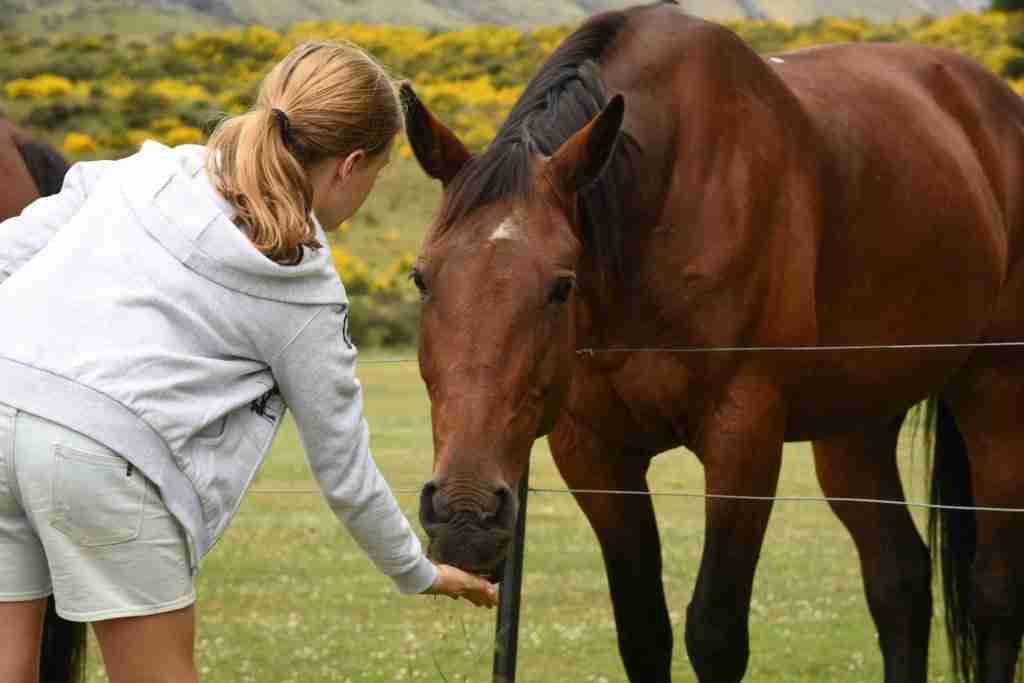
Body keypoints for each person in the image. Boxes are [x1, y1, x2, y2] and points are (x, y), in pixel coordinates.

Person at [0, 41, 498, 683]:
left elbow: (10, 249)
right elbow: (345, 471)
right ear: (350, 166)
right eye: (376, 177)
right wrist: (419, 571)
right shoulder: (301, 286)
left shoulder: (150, 168)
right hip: (104, 460)